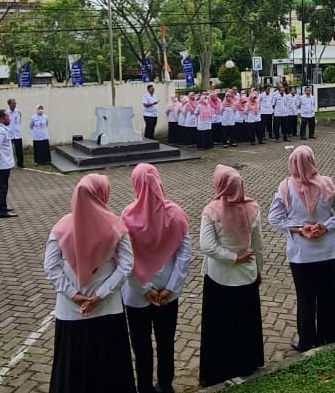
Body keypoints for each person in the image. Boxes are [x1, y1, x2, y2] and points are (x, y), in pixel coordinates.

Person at [45, 174, 136, 393]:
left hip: (71, 310)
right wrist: (100, 295)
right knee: (110, 369)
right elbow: (127, 265)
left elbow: (51, 266)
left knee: (72, 367)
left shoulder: (62, 227)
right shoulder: (115, 225)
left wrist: (73, 295)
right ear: (102, 194)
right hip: (108, 308)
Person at [269, 146, 335, 350]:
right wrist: (326, 226)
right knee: (328, 297)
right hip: (328, 252)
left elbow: (275, 218)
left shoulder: (285, 187)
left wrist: (299, 229)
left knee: (305, 299)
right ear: (313, 161)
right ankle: (330, 338)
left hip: (301, 255)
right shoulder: (326, 184)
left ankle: (306, 340)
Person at [121, 165, 191, 393]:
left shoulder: (127, 217)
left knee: (141, 345)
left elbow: (125, 259)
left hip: (137, 294)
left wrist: (144, 288)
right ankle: (165, 384)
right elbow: (184, 253)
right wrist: (171, 287)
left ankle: (144, 387)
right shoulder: (176, 214)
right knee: (166, 341)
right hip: (167, 293)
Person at [199, 165, 265, 386]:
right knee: (245, 322)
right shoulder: (253, 208)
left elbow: (207, 246)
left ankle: (219, 369)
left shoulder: (211, 211)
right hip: (246, 275)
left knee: (220, 325)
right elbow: (258, 245)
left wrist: (231, 257)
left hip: (220, 277)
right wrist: (258, 269)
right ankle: (247, 363)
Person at [6, 98, 26, 170]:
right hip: (9, 134)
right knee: (9, 150)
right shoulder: (6, 113)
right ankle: (9, 163)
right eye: (13, 103)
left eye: (15, 103)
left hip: (17, 134)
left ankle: (20, 163)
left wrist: (18, 129)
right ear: (9, 104)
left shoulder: (19, 111)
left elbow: (19, 122)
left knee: (19, 149)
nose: (15, 105)